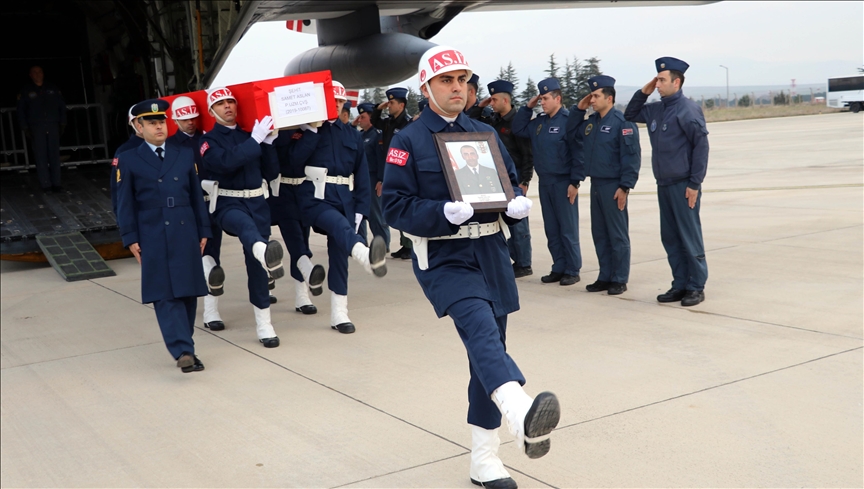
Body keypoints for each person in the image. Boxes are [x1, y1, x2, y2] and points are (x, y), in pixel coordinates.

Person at [382, 45, 560, 489]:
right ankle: (520, 414)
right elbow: (394, 207)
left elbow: (505, 185)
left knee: (487, 353)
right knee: (481, 331)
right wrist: (440, 213)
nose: (458, 87)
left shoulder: (483, 133)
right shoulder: (407, 140)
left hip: (490, 253)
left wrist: (513, 206)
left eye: (463, 80)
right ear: (427, 87)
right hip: (444, 257)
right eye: (447, 80)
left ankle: (484, 461)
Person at [115, 99, 211, 373]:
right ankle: (182, 350)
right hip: (152, 229)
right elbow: (124, 202)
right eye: (152, 123)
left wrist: (204, 230)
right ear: (139, 126)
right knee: (164, 293)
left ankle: (186, 347)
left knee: (188, 291)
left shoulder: (183, 153)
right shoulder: (129, 158)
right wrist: (130, 237)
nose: (159, 126)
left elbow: (196, 195)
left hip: (184, 227)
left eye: (161, 121)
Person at [289, 81, 387, 334]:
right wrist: (310, 131)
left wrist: (360, 211)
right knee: (334, 227)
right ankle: (365, 256)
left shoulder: (352, 135)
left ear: (344, 104)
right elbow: (293, 162)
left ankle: (339, 313)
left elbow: (362, 176)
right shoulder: (307, 131)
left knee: (339, 255)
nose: (335, 104)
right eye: (330, 100)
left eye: (339, 101)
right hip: (314, 196)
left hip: (344, 197)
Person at [199, 87, 285, 347]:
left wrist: (268, 144)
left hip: (257, 201)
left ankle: (264, 324)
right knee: (246, 229)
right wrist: (256, 141)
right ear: (212, 111)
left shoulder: (252, 136)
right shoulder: (209, 141)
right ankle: (264, 251)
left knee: (257, 268)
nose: (228, 106)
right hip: (227, 201)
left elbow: (270, 172)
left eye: (231, 102)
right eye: (221, 103)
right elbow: (225, 162)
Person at [624, 57, 709, 307]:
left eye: (662, 80)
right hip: (664, 184)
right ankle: (680, 283)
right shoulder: (656, 109)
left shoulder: (688, 110)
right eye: (657, 79)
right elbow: (630, 114)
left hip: (684, 185)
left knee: (689, 236)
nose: (658, 84)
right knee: (670, 237)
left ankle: (696, 285)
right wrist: (644, 91)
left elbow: (701, 148)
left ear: (677, 82)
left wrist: (695, 184)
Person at [567, 75, 641, 296]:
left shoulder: (622, 122)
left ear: (609, 98)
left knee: (617, 234)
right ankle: (605, 275)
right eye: (591, 96)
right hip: (596, 184)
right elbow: (571, 132)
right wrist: (579, 110)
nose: (592, 100)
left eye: (596, 96)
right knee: (599, 233)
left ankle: (619, 278)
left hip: (614, 186)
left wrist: (625, 186)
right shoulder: (591, 123)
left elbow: (631, 156)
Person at [512, 78, 584, 286]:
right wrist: (528, 106)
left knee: (567, 228)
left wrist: (575, 182)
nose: (542, 102)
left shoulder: (568, 121)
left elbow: (577, 153)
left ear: (558, 98)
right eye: (540, 98)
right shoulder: (539, 124)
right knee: (551, 228)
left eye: (545, 98)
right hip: (545, 183)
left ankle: (572, 268)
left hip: (564, 182)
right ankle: (559, 267)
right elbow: (518, 128)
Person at [168, 96, 228, 329]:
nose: (190, 122)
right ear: (175, 120)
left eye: (193, 117)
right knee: (193, 258)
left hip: (212, 202)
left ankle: (211, 312)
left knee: (213, 254)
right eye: (185, 119)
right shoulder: (171, 146)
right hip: (186, 206)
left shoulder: (208, 139)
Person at [270, 124, 327, 315]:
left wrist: (310, 129)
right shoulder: (283, 130)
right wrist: (306, 132)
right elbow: (290, 158)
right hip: (281, 189)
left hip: (303, 189)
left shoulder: (310, 130)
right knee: (293, 237)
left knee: (302, 237)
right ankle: (306, 272)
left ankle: (302, 296)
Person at [484, 79, 534, 278]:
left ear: (506, 100)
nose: (491, 103)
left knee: (519, 222)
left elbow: (528, 154)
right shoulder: (493, 121)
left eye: (494, 99)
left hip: (515, 179)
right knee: (504, 221)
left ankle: (524, 263)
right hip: (497, 178)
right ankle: (513, 259)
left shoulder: (517, 123)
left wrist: (525, 180)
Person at [372, 87, 413, 259]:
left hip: (405, 169)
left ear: (402, 105)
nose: (389, 106)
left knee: (405, 206)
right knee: (395, 206)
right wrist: (379, 108)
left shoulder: (409, 123)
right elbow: (375, 121)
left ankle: (410, 245)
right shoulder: (389, 122)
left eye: (392, 103)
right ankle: (405, 244)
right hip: (390, 167)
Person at [17, 66, 66, 193]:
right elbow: (21, 111)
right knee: (41, 156)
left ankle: (57, 183)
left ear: (43, 73)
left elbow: (62, 106)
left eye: (40, 72)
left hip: (52, 125)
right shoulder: (26, 91)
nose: (37, 74)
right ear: (30, 75)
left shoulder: (52, 88)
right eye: (35, 72)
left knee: (54, 155)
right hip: (36, 127)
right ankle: (46, 184)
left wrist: (62, 123)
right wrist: (25, 127)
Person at [354, 102, 390, 249]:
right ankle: (361, 241)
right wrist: (352, 124)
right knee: (359, 211)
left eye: (362, 117)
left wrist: (381, 179)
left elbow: (381, 159)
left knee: (375, 213)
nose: (360, 120)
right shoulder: (360, 135)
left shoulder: (377, 135)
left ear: (370, 118)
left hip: (373, 178)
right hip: (361, 178)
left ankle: (383, 243)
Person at [111, 105, 146, 216]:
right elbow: (117, 187)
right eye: (139, 121)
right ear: (133, 124)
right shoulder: (124, 151)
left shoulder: (169, 147)